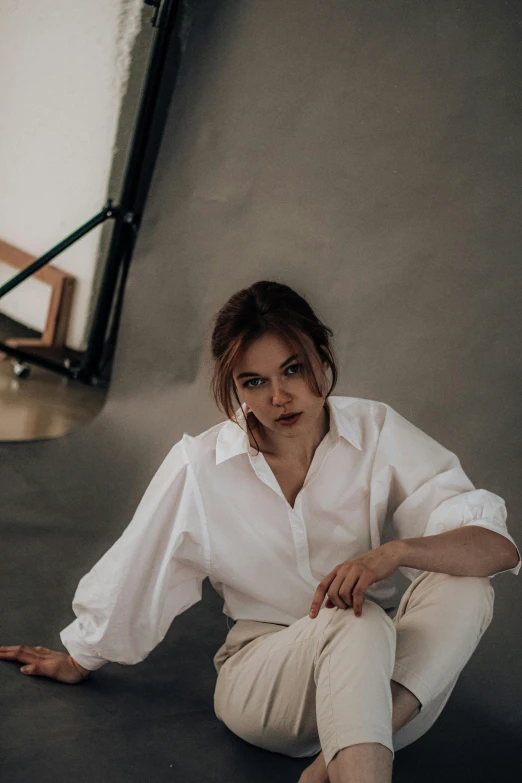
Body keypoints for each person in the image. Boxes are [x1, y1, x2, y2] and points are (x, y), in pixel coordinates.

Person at [1, 280, 520, 783]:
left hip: (386, 687)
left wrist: (393, 552)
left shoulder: (377, 430)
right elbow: (142, 560)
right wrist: (80, 655)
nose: (280, 397)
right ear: (236, 387)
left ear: (322, 355)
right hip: (269, 685)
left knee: (465, 585)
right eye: (255, 382)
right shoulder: (201, 465)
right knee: (353, 621)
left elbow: (493, 546)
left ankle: (329, 766)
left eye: (293, 369)